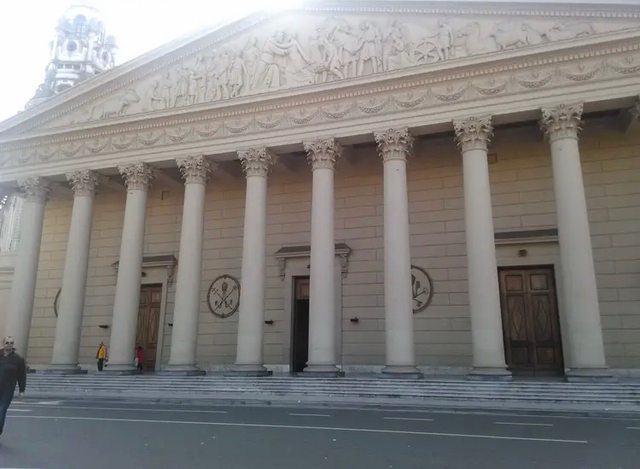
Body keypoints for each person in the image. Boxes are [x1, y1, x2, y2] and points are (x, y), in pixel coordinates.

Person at [0, 336, 26, 436]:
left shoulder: (18, 359)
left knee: (2, 410)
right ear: (3, 343)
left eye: (11, 343)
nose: (9, 344)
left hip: (8, 390)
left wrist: (22, 390)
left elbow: (22, 375)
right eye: (7, 342)